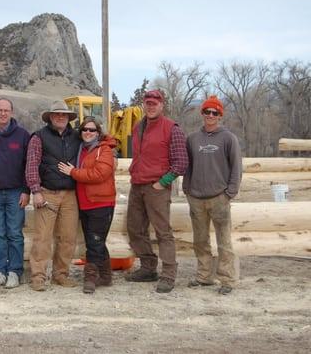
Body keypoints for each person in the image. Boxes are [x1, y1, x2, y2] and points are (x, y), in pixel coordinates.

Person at [125, 89, 188, 293]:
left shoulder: (172, 129)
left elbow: (181, 163)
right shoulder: (138, 126)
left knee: (163, 231)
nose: (151, 106)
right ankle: (148, 267)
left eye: (155, 103)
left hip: (157, 187)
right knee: (135, 228)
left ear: (162, 105)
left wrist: (163, 183)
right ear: (144, 104)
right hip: (137, 185)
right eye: (148, 103)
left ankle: (169, 273)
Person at [183, 95, 242, 295]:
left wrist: (230, 193)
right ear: (202, 113)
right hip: (196, 197)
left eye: (214, 112)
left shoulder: (228, 138)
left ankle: (227, 280)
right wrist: (187, 189)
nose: (210, 115)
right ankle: (204, 276)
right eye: (207, 111)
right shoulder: (192, 139)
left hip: (219, 197)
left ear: (220, 116)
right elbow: (187, 166)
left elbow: (236, 167)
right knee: (200, 240)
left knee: (224, 241)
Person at [26, 100, 81, 291]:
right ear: (50, 117)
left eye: (64, 114)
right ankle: (38, 276)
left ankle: (61, 274)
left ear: (68, 117)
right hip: (47, 193)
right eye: (57, 114)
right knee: (43, 237)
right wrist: (36, 190)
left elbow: (95, 141)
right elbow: (32, 165)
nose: (60, 117)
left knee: (68, 237)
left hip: (70, 194)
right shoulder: (39, 137)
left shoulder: (76, 136)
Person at [58, 116, 117, 294]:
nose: (88, 133)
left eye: (92, 130)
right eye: (85, 129)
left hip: (101, 202)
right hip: (84, 202)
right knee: (96, 241)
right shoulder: (81, 149)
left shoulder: (104, 150)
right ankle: (106, 275)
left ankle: (91, 277)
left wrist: (73, 172)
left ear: (98, 133)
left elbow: (100, 174)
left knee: (94, 242)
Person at [0, 98, 31, 289]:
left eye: (6, 110)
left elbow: (30, 165)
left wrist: (26, 190)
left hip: (15, 192)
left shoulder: (22, 135)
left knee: (14, 233)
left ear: (12, 112)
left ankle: (15, 272)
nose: (3, 113)